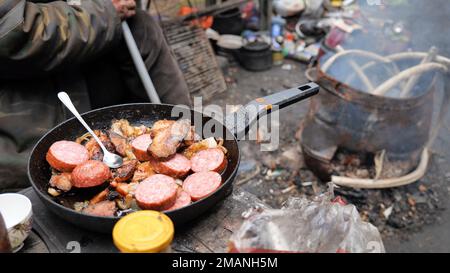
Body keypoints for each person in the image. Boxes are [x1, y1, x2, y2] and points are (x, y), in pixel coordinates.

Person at [0, 0, 191, 191]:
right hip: (24, 148)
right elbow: (12, 27)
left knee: (140, 23)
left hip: (89, 66)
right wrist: (105, 12)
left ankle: (190, 143)